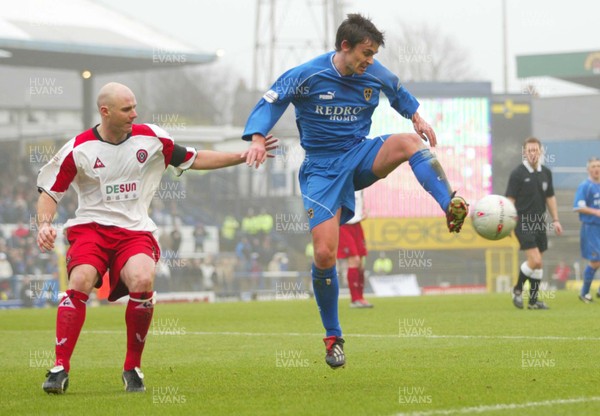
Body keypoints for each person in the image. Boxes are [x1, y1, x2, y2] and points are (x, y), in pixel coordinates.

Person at [242, 14, 468, 369]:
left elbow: (398, 91)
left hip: (359, 154)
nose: (370, 60)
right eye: (366, 52)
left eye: (374, 54)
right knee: (325, 255)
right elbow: (272, 100)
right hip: (321, 169)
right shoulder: (308, 74)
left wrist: (417, 117)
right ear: (344, 47)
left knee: (410, 142)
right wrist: (257, 138)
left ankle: (449, 203)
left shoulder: (374, 73)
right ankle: (333, 337)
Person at [36, 82, 276, 394]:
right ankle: (59, 368)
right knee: (80, 279)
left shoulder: (152, 138)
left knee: (143, 278)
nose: (134, 114)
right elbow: (49, 192)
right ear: (104, 112)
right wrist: (43, 224)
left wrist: (242, 156)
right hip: (91, 228)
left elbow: (194, 158)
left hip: (134, 232)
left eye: (135, 106)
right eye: (126, 109)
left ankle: (132, 368)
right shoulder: (78, 148)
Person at [506, 137, 563, 310]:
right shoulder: (517, 174)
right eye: (529, 150)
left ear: (540, 151)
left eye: (535, 150)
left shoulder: (546, 172)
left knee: (539, 263)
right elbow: (510, 199)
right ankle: (517, 290)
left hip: (540, 223)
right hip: (522, 222)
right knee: (535, 259)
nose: (532, 153)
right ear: (524, 152)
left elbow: (550, 197)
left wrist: (556, 220)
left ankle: (533, 301)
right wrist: (508, 222)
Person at [337, 191, 372, 308]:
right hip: (344, 225)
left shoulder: (358, 179)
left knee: (361, 264)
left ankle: (361, 298)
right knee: (354, 260)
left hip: (357, 224)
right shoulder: (342, 177)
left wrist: (364, 209)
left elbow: (360, 196)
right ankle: (354, 299)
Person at [573, 157, 600, 303]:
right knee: (596, 261)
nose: (596, 168)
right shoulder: (585, 186)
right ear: (588, 169)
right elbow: (578, 206)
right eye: (593, 166)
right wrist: (595, 212)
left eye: (598, 166)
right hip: (591, 228)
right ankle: (584, 293)